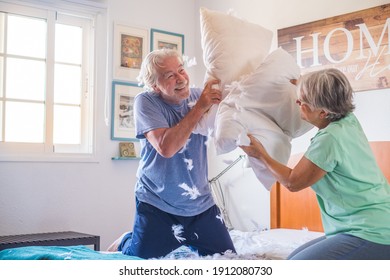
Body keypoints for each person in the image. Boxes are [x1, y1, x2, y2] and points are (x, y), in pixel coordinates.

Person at [240, 68, 390, 260]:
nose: (297, 103)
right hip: (373, 222)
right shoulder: (347, 120)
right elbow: (331, 90)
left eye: (303, 102)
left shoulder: (329, 139)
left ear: (323, 112)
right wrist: (294, 82)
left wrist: (260, 154)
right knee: (291, 260)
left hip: (371, 231)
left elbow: (292, 182)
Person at [118, 48, 236, 259]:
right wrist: (200, 107)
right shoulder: (145, 102)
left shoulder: (201, 96)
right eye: (170, 76)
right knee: (138, 262)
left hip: (200, 205)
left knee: (228, 260)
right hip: (157, 204)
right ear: (155, 85)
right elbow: (166, 147)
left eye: (181, 70)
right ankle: (126, 240)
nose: (181, 78)